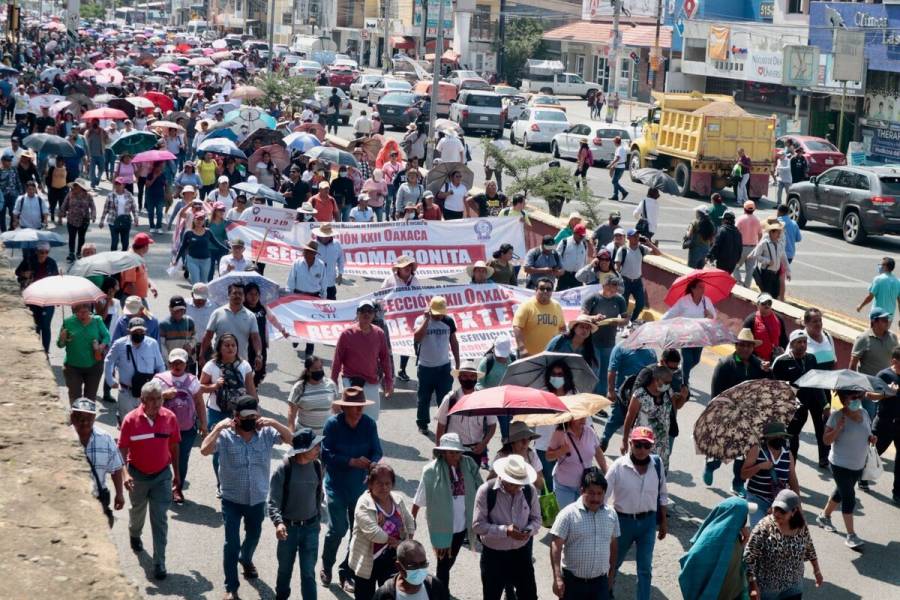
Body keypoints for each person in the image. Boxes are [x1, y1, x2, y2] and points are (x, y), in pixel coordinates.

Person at [200, 395, 293, 600]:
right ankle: (231, 587)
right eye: (246, 416)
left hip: (257, 500)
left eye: (254, 415)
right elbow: (204, 450)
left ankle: (246, 558)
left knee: (253, 536)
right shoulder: (225, 436)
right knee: (230, 543)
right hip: (231, 500)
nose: (251, 419)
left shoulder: (267, 433)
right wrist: (216, 429)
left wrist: (275, 422)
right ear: (236, 417)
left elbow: (292, 440)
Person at [320, 387, 383, 591]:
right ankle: (327, 566)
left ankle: (345, 572)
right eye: (355, 407)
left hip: (360, 488)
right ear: (345, 408)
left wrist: (372, 464)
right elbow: (326, 454)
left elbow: (377, 451)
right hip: (336, 487)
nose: (359, 410)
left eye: (361, 406)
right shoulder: (333, 425)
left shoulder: (369, 424)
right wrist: (351, 461)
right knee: (338, 530)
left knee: (358, 533)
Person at [118, 380, 181, 580]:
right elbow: (122, 448)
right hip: (137, 475)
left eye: (159, 398)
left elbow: (174, 446)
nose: (156, 403)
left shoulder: (170, 418)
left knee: (160, 519)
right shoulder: (130, 420)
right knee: (137, 511)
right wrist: (126, 474)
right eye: (151, 399)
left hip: (162, 475)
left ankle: (159, 562)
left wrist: (177, 473)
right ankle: (134, 534)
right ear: (142, 400)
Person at [702, 328, 771, 495]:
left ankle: (738, 483)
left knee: (745, 452)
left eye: (749, 345)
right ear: (736, 346)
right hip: (728, 415)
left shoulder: (758, 365)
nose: (746, 349)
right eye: (742, 345)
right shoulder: (725, 365)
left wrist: (768, 371)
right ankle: (711, 465)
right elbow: (716, 394)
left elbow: (766, 386)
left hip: (749, 417)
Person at [411, 433, 482, 591]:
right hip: (441, 526)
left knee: (452, 557)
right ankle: (441, 591)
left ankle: (434, 583)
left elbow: (480, 487)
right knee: (443, 564)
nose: (455, 456)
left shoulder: (469, 464)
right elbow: (420, 496)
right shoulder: (430, 471)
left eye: (457, 452)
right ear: (442, 452)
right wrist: (412, 520)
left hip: (462, 523)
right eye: (451, 452)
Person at [605, 427, 668, 600]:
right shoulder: (618, 466)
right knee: (613, 564)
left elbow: (663, 493)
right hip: (622, 523)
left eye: (646, 446)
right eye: (638, 445)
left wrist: (663, 522)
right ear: (630, 444)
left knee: (645, 569)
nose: (642, 450)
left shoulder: (657, 464)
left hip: (647, 523)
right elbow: (603, 496)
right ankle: (606, 593)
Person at [473, 454, 542, 600]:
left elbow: (537, 519)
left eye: (518, 484)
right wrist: (505, 531)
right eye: (511, 483)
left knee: (529, 596)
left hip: (521, 554)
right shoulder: (486, 491)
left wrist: (528, 531)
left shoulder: (529, 491)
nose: (515, 488)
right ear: (502, 477)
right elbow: (478, 525)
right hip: (494, 556)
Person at [268, 427, 325, 600]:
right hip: (288, 530)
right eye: (315, 446)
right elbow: (273, 502)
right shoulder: (284, 469)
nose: (318, 449)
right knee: (285, 570)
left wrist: (316, 522)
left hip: (310, 528)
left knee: (308, 573)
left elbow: (318, 495)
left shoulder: (317, 466)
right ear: (303, 450)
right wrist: (278, 523)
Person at [550, 467, 619, 600]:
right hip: (573, 584)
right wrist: (557, 578)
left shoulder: (611, 514)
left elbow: (614, 546)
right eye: (591, 493)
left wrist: (611, 576)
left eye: (600, 493)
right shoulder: (568, 515)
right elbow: (555, 546)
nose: (596, 498)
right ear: (582, 491)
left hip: (600, 583)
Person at [349, 463, 416, 599]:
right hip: (367, 560)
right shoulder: (364, 503)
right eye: (379, 483)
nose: (384, 487)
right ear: (370, 484)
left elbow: (410, 522)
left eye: (388, 483)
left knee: (390, 595)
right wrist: (395, 542)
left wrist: (405, 542)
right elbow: (373, 532)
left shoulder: (397, 499)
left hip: (392, 558)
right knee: (364, 596)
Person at [199, 333, 257, 488]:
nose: (231, 348)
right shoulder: (211, 366)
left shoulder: (244, 366)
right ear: (220, 347)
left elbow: (251, 389)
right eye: (227, 345)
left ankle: (234, 481)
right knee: (217, 450)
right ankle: (221, 484)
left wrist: (255, 412)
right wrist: (214, 386)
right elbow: (199, 387)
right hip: (217, 412)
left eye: (233, 345)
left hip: (240, 414)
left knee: (237, 448)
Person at [745, 489, 823, 600]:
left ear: (794, 511)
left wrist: (817, 570)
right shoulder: (764, 526)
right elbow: (749, 556)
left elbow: (809, 548)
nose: (777, 513)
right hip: (767, 589)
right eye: (775, 508)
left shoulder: (801, 527)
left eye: (783, 511)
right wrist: (753, 585)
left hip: (794, 586)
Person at [154, 348, 206, 504]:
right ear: (169, 363)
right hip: (162, 429)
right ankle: (161, 488)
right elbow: (147, 400)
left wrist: (204, 423)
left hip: (187, 429)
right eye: (174, 363)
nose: (177, 366)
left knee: (182, 460)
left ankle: (177, 488)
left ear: (186, 364)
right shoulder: (158, 380)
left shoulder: (192, 380)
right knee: (162, 458)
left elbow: (199, 402)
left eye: (180, 363)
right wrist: (163, 395)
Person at [774, 330, 831, 467]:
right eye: (799, 342)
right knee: (793, 437)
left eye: (804, 342)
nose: (802, 345)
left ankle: (824, 458)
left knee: (821, 428)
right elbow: (775, 388)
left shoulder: (811, 358)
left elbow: (817, 382)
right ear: (792, 344)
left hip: (812, 400)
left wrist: (825, 405)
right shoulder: (782, 362)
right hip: (793, 407)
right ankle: (790, 465)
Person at [677, 497, 751, 600]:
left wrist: (744, 541)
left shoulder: (734, 535)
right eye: (745, 517)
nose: (746, 521)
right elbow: (692, 562)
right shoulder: (710, 540)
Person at [331, 299, 393, 420]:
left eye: (370, 311)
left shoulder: (379, 333)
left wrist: (389, 382)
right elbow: (337, 360)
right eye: (363, 311)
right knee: (349, 417)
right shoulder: (346, 334)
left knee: (371, 419)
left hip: (371, 381)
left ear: (374, 314)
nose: (366, 314)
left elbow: (385, 359)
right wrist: (332, 383)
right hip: (350, 381)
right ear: (357, 313)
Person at [71, 398, 125, 527]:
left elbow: (116, 468)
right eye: (79, 417)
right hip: (72, 500)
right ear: (72, 417)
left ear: (94, 417)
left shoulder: (105, 439)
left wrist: (119, 494)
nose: (84, 422)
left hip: (97, 499)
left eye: (88, 418)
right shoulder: (63, 438)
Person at [104, 317, 166, 424]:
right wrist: (110, 380)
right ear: (129, 331)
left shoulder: (152, 344)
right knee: (128, 423)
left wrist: (158, 384)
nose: (139, 333)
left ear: (145, 331)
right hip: (126, 392)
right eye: (135, 331)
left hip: (148, 394)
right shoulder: (119, 344)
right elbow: (108, 361)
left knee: (148, 423)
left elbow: (160, 366)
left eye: (141, 331)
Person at [413, 296, 460, 435]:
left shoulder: (448, 321)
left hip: (444, 368)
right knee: (424, 398)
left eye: (441, 313)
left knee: (445, 399)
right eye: (436, 313)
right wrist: (427, 320)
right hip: (425, 368)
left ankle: (445, 424)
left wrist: (457, 362)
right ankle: (422, 423)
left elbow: (454, 342)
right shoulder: (421, 320)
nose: (439, 316)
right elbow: (417, 337)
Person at [436, 361, 498, 464]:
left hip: (476, 451)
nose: (468, 379)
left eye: (472, 376)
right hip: (453, 451)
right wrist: (439, 450)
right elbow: (441, 425)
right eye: (464, 376)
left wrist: (484, 443)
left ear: (476, 378)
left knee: (472, 479)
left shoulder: (484, 399)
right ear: (459, 378)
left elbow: (492, 425)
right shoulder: (450, 399)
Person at [600, 341, 658, 451]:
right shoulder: (620, 348)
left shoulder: (651, 352)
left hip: (643, 395)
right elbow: (612, 370)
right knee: (616, 418)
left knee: (640, 425)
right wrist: (611, 390)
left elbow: (655, 372)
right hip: (623, 394)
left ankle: (636, 450)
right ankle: (604, 439)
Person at [621, 364, 678, 471]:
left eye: (670, 382)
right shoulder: (640, 395)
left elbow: (674, 409)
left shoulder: (668, 392)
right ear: (656, 380)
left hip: (662, 447)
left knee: (659, 478)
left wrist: (683, 397)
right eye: (666, 382)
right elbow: (630, 417)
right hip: (643, 446)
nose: (668, 385)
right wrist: (624, 440)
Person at [546, 414, 608, 508]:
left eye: (584, 416)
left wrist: (606, 472)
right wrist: (561, 451)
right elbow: (548, 456)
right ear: (570, 418)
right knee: (567, 517)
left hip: (586, 486)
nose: (583, 419)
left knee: (583, 517)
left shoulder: (590, 432)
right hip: (564, 486)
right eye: (579, 416)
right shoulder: (560, 433)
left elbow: (598, 453)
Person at [201, 283, 264, 373]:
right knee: (217, 386)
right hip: (218, 363)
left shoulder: (251, 316)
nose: (237, 296)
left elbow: (255, 338)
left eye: (240, 293)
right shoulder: (217, 313)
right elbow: (208, 336)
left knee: (242, 387)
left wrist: (259, 355)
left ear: (244, 296)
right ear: (229, 295)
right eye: (234, 293)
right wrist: (202, 354)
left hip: (241, 363)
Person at [58, 302, 110, 403]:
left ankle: (88, 418)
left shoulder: (97, 320)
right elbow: (60, 345)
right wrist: (62, 339)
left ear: (89, 310)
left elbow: (107, 336)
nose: (81, 315)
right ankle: (76, 418)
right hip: (73, 366)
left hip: (94, 366)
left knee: (90, 399)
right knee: (75, 398)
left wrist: (101, 346)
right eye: (78, 313)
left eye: (84, 312)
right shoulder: (68, 322)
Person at [614, 230, 661, 323]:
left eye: (637, 236)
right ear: (628, 238)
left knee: (640, 304)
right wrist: (617, 276)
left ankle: (632, 320)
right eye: (634, 236)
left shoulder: (642, 249)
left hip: (637, 282)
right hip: (625, 281)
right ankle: (622, 322)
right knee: (624, 304)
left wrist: (649, 243)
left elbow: (658, 253)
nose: (636, 238)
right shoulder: (623, 250)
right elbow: (617, 266)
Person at [513, 277, 566, 357]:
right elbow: (517, 327)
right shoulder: (526, 305)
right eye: (542, 288)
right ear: (536, 289)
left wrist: (562, 346)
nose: (545, 291)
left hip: (551, 354)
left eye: (548, 289)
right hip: (529, 355)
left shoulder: (557, 306)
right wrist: (522, 349)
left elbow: (562, 328)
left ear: (552, 291)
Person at [288, 354, 339, 435]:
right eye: (315, 369)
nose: (319, 370)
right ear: (308, 371)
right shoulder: (299, 387)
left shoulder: (330, 384)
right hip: (304, 435)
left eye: (320, 368)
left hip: (326, 434)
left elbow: (336, 408)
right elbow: (291, 413)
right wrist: (291, 432)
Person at [743, 293, 789, 363]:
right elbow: (744, 342)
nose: (767, 305)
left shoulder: (779, 319)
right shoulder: (750, 320)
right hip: (756, 361)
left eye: (769, 303)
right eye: (764, 303)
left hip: (774, 360)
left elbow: (783, 339)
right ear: (758, 304)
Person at [751, 220, 789, 299]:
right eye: (778, 232)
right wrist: (767, 261)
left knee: (775, 295)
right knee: (767, 296)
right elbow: (756, 255)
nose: (779, 234)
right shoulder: (764, 243)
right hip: (767, 273)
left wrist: (788, 271)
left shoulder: (780, 244)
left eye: (780, 232)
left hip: (776, 273)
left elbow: (783, 258)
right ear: (771, 232)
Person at [857, 257, 900, 324]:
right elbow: (899, 302)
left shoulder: (878, 279)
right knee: (885, 334)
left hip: (877, 315)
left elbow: (870, 297)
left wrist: (860, 306)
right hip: (889, 316)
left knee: (873, 334)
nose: (880, 266)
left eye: (882, 264)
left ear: (885, 267)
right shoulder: (898, 282)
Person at [100, 178, 139, 251]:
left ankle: (123, 258)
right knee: (114, 242)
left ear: (124, 185)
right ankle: (113, 258)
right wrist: (102, 221)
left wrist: (136, 218)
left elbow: (134, 207)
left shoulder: (129, 195)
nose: (117, 185)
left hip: (125, 221)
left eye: (119, 184)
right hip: (113, 221)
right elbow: (106, 209)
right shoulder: (110, 195)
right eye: (116, 184)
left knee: (125, 243)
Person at [159, 295, 197, 363]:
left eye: (181, 310)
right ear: (170, 308)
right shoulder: (163, 324)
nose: (179, 312)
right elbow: (162, 344)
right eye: (176, 310)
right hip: (171, 361)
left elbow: (195, 337)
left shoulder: (190, 321)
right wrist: (169, 360)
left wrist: (190, 345)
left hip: (187, 361)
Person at [311, 223, 344, 299]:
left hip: (330, 282)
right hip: (315, 282)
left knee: (331, 305)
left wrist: (340, 273)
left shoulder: (337, 244)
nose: (325, 238)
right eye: (324, 235)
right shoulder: (313, 244)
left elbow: (341, 259)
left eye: (327, 235)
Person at [734, 200, 762, 288]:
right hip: (753, 248)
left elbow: (735, 232)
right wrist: (758, 244)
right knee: (750, 270)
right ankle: (747, 286)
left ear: (744, 208)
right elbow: (760, 234)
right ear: (754, 209)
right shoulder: (757, 220)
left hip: (741, 247)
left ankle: (739, 282)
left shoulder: (741, 219)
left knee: (735, 266)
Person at [556, 223, 591, 290]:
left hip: (578, 276)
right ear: (574, 233)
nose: (581, 237)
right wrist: (559, 270)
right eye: (580, 235)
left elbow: (585, 260)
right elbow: (557, 257)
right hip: (565, 275)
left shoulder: (584, 245)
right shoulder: (564, 242)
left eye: (583, 236)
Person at [607, 136, 628, 201]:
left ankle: (623, 192)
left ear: (616, 142)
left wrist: (611, 164)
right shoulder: (621, 148)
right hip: (620, 166)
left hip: (619, 167)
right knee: (615, 181)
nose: (614, 143)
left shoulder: (619, 149)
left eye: (614, 142)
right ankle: (615, 195)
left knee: (614, 181)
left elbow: (618, 158)